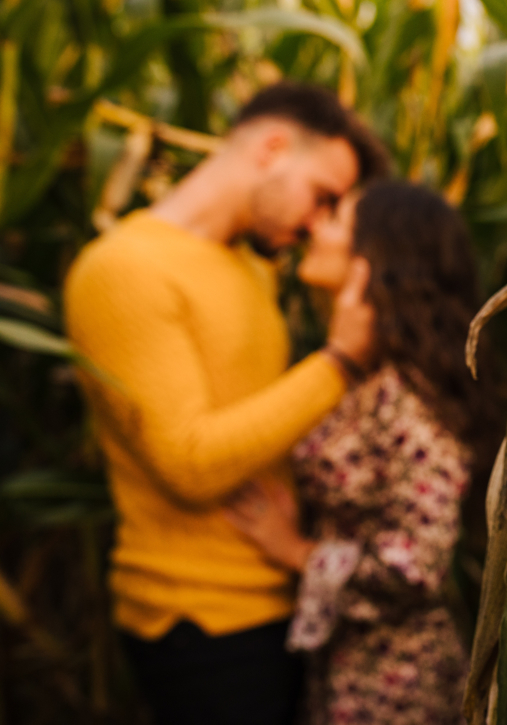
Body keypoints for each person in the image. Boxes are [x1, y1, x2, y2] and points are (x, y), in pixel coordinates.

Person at [64, 83, 390, 725]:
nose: (317, 223)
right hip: (200, 623)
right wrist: (341, 360)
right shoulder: (125, 270)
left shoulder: (249, 269)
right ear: (272, 148)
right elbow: (191, 464)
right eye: (322, 195)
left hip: (276, 603)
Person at [223, 180, 505, 725]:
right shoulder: (360, 377)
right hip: (345, 662)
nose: (314, 228)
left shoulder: (408, 395)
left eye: (335, 220)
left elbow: (416, 564)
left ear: (374, 258)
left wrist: (299, 553)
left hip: (393, 681)